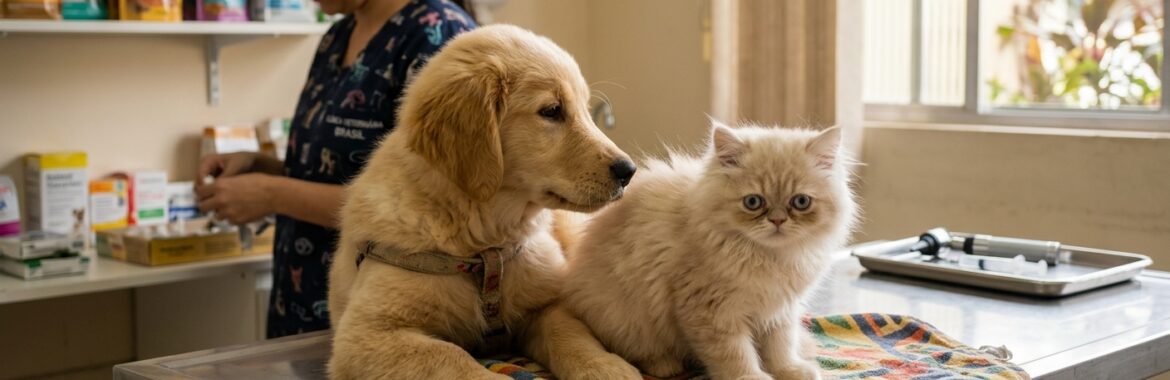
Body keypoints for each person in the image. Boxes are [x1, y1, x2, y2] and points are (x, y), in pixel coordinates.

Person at [195, 0, 478, 338]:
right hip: (300, 305)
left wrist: (272, 195)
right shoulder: (338, 35)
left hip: (384, 320)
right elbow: (334, 169)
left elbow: (428, 207)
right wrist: (261, 167)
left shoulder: (438, 35)